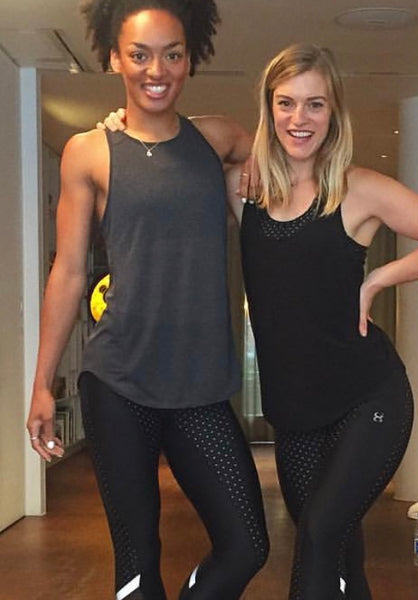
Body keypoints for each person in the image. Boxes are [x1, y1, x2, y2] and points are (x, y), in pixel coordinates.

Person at [25, 1, 269, 599]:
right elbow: (68, 272)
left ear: (190, 59)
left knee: (247, 544)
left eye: (172, 54)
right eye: (139, 55)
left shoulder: (214, 138)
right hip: (119, 381)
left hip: (201, 386)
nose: (156, 70)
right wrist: (42, 383)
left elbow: (277, 151)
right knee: (137, 564)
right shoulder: (90, 151)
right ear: (114, 58)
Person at [225, 43, 418, 599]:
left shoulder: (356, 188)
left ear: (334, 112)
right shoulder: (246, 190)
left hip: (369, 399)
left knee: (318, 537)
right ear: (268, 108)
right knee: (339, 555)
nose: (300, 118)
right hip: (295, 414)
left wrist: (379, 278)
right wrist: (122, 122)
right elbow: (198, 135)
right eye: (286, 103)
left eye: (315, 104)